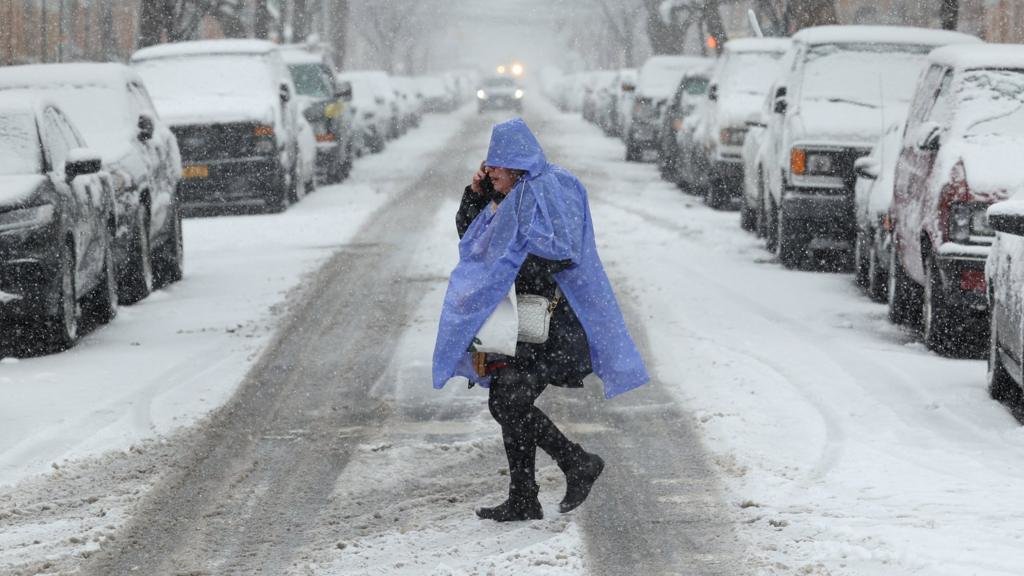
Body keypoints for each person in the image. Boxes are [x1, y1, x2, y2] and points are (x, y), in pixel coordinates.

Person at [433, 118, 648, 522]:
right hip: (517, 319)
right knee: (507, 399)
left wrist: (510, 264)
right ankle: (526, 495)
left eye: (496, 165)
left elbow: (562, 251)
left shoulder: (551, 188)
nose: (490, 171)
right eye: (488, 164)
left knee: (508, 400)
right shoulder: (506, 196)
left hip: (552, 320)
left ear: (516, 163)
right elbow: (471, 237)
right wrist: (476, 196)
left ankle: (575, 464)